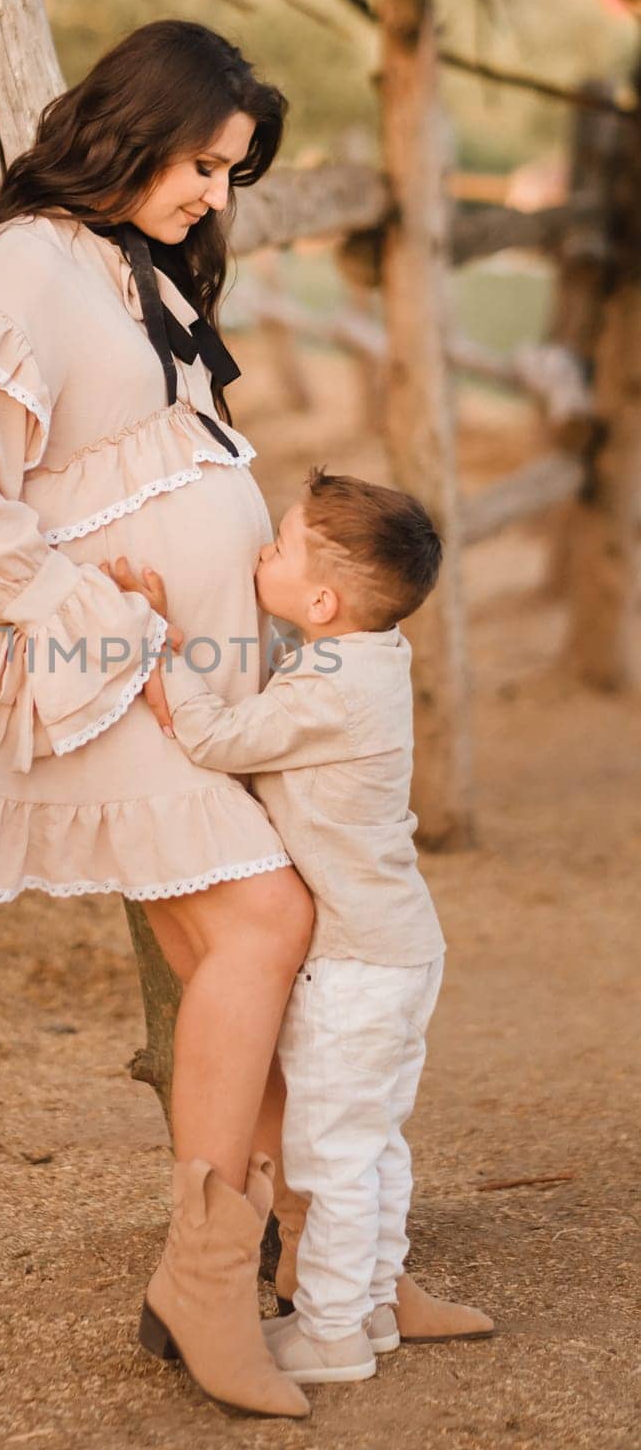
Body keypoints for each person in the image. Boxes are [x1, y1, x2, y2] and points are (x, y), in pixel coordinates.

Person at [0, 19, 488, 1420]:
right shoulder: (22, 267)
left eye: (232, 172)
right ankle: (203, 1278)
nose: (214, 193)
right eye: (203, 161)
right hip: (96, 671)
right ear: (133, 130)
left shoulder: (133, 270)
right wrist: (102, 615)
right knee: (269, 924)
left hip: (186, 679)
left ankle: (332, 1263)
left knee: (268, 951)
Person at [104, 467, 495, 1386]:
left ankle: (330, 1333)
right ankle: (370, 1305)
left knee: (335, 1152)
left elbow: (212, 739)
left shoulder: (330, 691)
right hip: (396, 947)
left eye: (275, 547)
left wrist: (157, 642)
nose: (258, 554)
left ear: (320, 600)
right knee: (373, 1141)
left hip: (360, 961)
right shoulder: (362, 654)